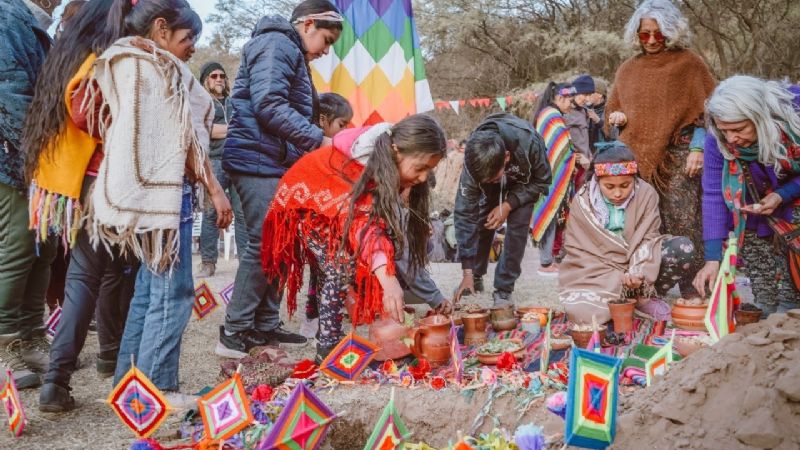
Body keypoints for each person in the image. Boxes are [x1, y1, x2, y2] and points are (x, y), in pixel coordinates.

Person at [79, 0, 231, 409]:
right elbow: (181, 139)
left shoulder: (121, 61)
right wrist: (215, 189)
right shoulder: (159, 68)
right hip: (166, 196)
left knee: (148, 292)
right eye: (188, 38)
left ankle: (127, 384)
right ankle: (155, 390)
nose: (193, 48)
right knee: (172, 293)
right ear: (161, 30)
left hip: (141, 197)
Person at [21, 0, 143, 411]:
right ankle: (63, 378)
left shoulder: (69, 52)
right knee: (98, 276)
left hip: (72, 183)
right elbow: (86, 113)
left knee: (93, 276)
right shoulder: (107, 57)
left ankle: (85, 368)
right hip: (101, 182)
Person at [261, 115, 446, 361]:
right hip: (306, 206)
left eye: (429, 170)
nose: (423, 178)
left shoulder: (387, 165)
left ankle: (370, 337)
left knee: (341, 268)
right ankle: (328, 350)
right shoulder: (362, 169)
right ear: (396, 151)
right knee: (340, 266)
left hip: (335, 211)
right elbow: (365, 229)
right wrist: (389, 281)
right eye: (420, 168)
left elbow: (377, 227)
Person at [217, 0, 344, 358]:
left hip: (274, 162)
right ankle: (235, 331)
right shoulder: (277, 44)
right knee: (263, 244)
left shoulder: (290, 51)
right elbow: (269, 105)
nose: (326, 50)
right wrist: (317, 139)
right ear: (306, 25)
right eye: (326, 40)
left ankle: (264, 324)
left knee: (281, 244)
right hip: (256, 162)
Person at [606, 0, 715, 295]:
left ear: (671, 32)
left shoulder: (688, 63)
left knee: (685, 220)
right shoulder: (628, 69)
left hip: (680, 156)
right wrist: (617, 117)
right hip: (637, 158)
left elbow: (708, 111)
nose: (652, 40)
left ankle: (694, 290)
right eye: (645, 34)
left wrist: (698, 148)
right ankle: (651, 286)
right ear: (636, 35)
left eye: (659, 33)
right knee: (644, 223)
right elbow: (613, 112)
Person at [693, 76, 800, 315]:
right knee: (750, 228)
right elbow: (713, 195)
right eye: (725, 130)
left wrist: (782, 195)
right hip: (753, 198)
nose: (731, 139)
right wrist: (712, 258)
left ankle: (790, 311)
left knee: (791, 280)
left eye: (739, 129)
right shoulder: (717, 139)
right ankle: (765, 307)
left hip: (794, 197)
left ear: (760, 117)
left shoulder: (794, 113)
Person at [560, 142, 696, 324]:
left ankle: (643, 298)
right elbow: (577, 248)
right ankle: (623, 297)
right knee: (584, 313)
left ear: (634, 178)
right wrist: (619, 276)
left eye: (625, 185)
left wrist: (638, 272)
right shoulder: (582, 201)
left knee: (683, 248)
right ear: (597, 180)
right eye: (609, 187)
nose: (617, 193)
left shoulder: (646, 193)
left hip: (639, 263)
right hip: (597, 269)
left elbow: (649, 237)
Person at [0, 0, 62, 390]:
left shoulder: (38, 25)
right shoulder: (7, 16)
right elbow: (11, 93)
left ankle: (32, 335)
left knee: (45, 246)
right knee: (19, 246)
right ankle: (5, 343)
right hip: (15, 158)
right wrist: (39, 152)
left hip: (44, 159)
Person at [453, 113, 551, 305]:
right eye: (485, 180)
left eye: (493, 178)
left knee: (518, 227)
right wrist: (467, 271)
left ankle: (504, 288)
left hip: (525, 181)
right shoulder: (474, 159)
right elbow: (465, 214)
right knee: (483, 218)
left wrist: (508, 204)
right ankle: (475, 276)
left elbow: (542, 181)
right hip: (492, 170)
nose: (490, 182)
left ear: (507, 157)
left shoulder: (530, 144)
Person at [299, 91, 353, 339]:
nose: (344, 131)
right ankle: (317, 321)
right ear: (322, 120)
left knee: (325, 271)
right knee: (326, 270)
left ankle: (322, 318)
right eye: (341, 125)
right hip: (311, 220)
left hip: (327, 219)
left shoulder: (330, 148)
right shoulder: (311, 147)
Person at [196, 61, 247, 278]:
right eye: (214, 76)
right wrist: (232, 129)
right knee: (210, 212)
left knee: (243, 213)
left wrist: (225, 130)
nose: (219, 79)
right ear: (205, 80)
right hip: (214, 162)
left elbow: (245, 128)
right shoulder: (202, 103)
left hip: (239, 161)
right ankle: (208, 262)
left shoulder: (234, 104)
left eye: (222, 76)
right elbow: (205, 130)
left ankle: (245, 261)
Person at [530, 83, 578, 278]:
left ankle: (547, 259)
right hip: (551, 175)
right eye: (571, 101)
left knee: (552, 215)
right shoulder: (552, 116)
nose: (572, 105)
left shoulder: (547, 114)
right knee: (549, 214)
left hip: (547, 174)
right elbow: (560, 148)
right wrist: (575, 157)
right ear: (560, 98)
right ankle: (545, 262)